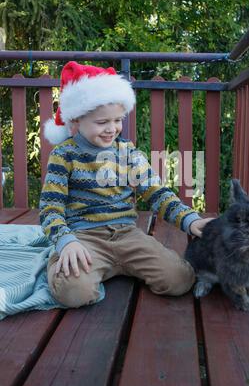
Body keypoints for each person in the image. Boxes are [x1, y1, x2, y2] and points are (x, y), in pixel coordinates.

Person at [40, 61, 214, 308]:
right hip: (84, 238)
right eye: (102, 122)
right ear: (77, 119)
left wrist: (190, 220)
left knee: (180, 279)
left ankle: (117, 266)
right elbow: (50, 209)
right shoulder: (64, 155)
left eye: (118, 120)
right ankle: (61, 261)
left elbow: (157, 192)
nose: (112, 129)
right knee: (73, 293)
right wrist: (66, 241)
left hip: (126, 235)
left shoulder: (128, 153)